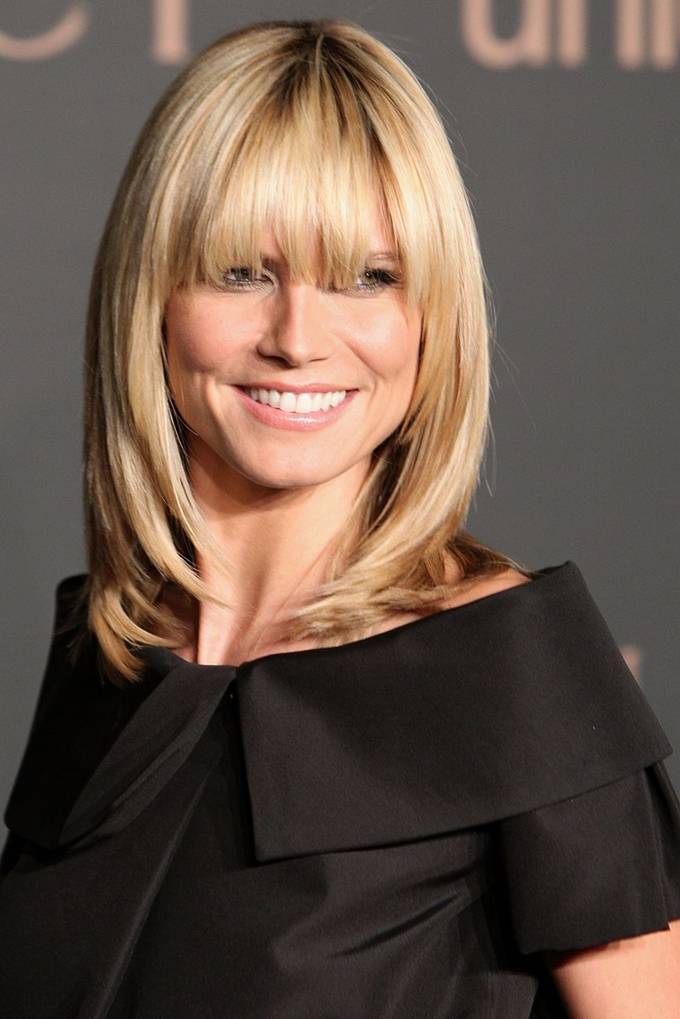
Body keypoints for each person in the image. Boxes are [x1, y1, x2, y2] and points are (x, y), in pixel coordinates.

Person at [1, 17, 679, 1018]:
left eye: (368, 277)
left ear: (429, 317)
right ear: (153, 299)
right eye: (243, 272)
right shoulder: (112, 650)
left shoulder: (512, 671)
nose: (297, 337)